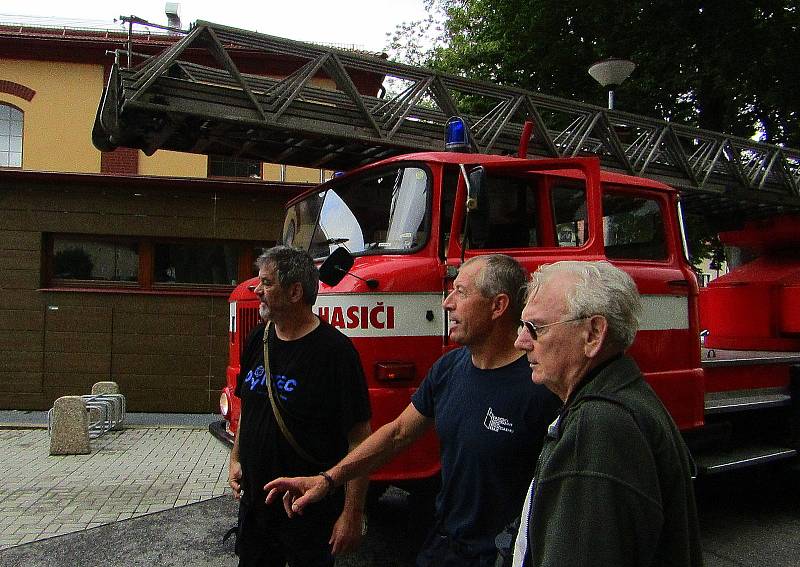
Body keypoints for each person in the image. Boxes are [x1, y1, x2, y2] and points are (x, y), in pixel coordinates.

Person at [265, 254, 561, 567]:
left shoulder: (540, 386)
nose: (447, 303)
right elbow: (397, 434)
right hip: (444, 547)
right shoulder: (449, 368)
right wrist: (327, 480)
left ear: (498, 306)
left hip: (503, 554)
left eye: (461, 292)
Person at [511, 260, 703, 567]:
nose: (521, 342)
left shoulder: (598, 427)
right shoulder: (620, 399)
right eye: (522, 326)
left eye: (535, 328)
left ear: (593, 334)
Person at [228, 245, 372, 567]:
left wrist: (351, 514)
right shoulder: (258, 339)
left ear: (295, 292)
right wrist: (236, 456)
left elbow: (360, 440)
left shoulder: (335, 353)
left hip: (307, 511)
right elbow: (250, 409)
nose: (256, 290)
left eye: (266, 283)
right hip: (256, 510)